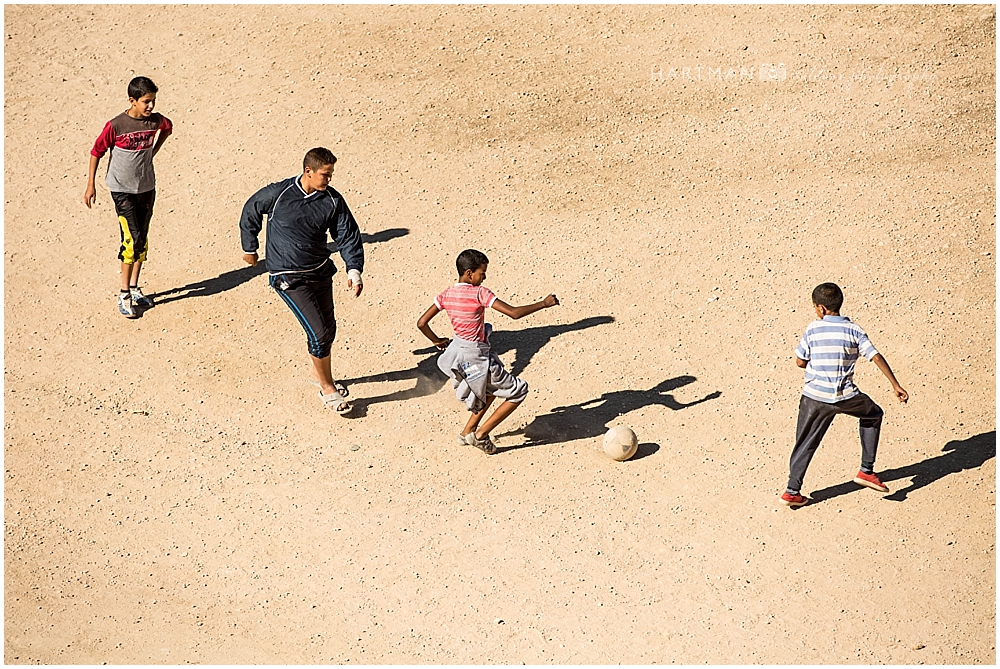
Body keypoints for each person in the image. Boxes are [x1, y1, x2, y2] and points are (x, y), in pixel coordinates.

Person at [239, 148, 364, 415]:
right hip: (288, 276)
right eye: (325, 174)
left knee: (328, 331)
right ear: (308, 171)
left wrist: (354, 270)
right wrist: (250, 247)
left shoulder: (332, 200)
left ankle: (318, 374)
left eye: (331, 174)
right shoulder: (279, 193)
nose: (329, 179)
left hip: (320, 271)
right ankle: (328, 389)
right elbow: (251, 208)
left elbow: (348, 235)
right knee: (318, 334)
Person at [417, 249, 559, 454]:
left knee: (488, 390)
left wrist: (437, 340)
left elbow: (422, 323)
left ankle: (467, 432)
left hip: (459, 353)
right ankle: (481, 435)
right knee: (519, 390)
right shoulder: (479, 293)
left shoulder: (446, 294)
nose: (484, 277)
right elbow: (514, 313)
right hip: (477, 356)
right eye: (482, 273)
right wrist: (544, 304)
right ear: (469, 273)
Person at [781, 283, 909, 507]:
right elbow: (875, 356)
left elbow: (800, 361)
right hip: (845, 396)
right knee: (873, 414)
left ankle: (792, 490)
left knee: (805, 441)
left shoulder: (813, 328)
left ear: (820, 308)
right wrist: (895, 385)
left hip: (814, 397)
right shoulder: (854, 330)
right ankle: (866, 471)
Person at [84, 76, 173, 318]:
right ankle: (123, 294)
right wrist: (90, 184)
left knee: (142, 239)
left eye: (153, 101)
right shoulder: (116, 125)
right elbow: (96, 151)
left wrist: (153, 152)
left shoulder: (155, 121)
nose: (151, 106)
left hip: (146, 187)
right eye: (146, 102)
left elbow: (168, 127)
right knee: (131, 240)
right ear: (132, 100)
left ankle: (134, 288)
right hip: (122, 190)